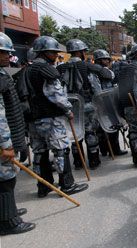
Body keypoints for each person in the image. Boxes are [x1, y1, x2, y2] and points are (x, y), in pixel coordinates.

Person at [29, 36, 88, 197]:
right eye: (53, 52)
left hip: (33, 118)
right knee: (61, 150)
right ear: (44, 52)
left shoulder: (28, 69)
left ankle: (44, 186)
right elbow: (56, 94)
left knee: (40, 152)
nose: (56, 55)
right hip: (50, 116)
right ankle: (66, 184)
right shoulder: (46, 69)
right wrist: (68, 110)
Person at [57, 39, 113, 170]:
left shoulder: (60, 68)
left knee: (76, 134)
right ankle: (94, 161)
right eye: (83, 51)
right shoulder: (88, 66)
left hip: (70, 107)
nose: (84, 53)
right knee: (90, 132)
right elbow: (102, 80)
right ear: (79, 52)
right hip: (87, 105)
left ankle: (78, 162)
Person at [0, 32, 35, 236]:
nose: (8, 56)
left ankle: (7, 210)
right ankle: (8, 222)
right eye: (3, 52)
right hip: (2, 140)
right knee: (5, 180)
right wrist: (6, 145)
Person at [93, 49, 127, 157]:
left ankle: (113, 149)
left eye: (107, 59)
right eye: (104, 59)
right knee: (102, 128)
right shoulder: (97, 72)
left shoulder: (105, 71)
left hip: (110, 101)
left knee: (113, 126)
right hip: (101, 102)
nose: (107, 61)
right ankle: (106, 150)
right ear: (98, 60)